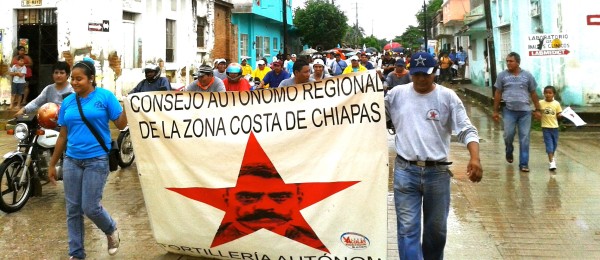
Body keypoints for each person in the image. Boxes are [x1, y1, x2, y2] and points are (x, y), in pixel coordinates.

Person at [385, 52, 482, 260]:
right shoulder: (396, 95)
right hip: (405, 171)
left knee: (436, 232)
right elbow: (369, 114)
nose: (420, 79)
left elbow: (467, 129)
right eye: (416, 74)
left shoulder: (447, 97)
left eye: (426, 75)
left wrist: (475, 157)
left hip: (437, 173)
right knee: (407, 229)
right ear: (410, 73)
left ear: (435, 72)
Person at [48, 57, 127, 259]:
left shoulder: (105, 97)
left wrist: (129, 106)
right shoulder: (67, 102)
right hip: (72, 160)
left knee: (90, 207)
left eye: (79, 79)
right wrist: (52, 163)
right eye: (72, 79)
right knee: (73, 210)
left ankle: (110, 229)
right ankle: (76, 254)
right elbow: (63, 135)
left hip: (97, 160)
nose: (74, 83)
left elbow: (120, 125)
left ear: (91, 79)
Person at [214, 164, 326, 251]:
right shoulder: (212, 238)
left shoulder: (314, 244)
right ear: (226, 198)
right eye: (248, 197)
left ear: (299, 198)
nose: (264, 206)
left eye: (281, 197)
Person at [492, 52, 542, 172]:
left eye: (511, 61)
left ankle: (524, 164)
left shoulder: (527, 76)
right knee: (508, 135)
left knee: (524, 138)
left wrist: (538, 109)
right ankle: (509, 151)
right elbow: (498, 93)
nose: (508, 63)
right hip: (509, 111)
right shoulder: (502, 76)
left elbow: (533, 93)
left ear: (518, 62)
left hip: (525, 112)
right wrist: (495, 111)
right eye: (507, 61)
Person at [539, 85, 562, 170]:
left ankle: (552, 157)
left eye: (550, 93)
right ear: (544, 94)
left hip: (555, 128)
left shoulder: (556, 104)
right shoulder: (541, 103)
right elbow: (537, 112)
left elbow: (558, 114)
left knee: (554, 145)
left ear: (554, 94)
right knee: (549, 145)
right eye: (546, 93)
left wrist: (561, 115)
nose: (548, 94)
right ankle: (552, 163)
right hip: (546, 128)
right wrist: (536, 114)